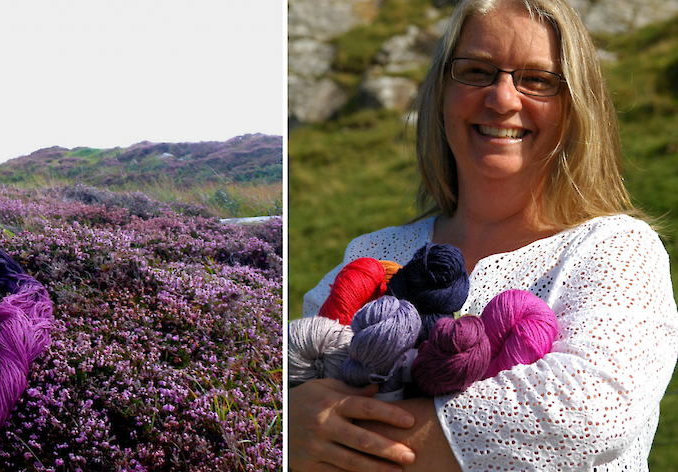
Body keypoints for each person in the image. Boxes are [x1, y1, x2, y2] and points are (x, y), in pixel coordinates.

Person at [288, 0, 678, 470]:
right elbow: (290, 376)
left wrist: (334, 433)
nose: (503, 98)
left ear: (575, 106)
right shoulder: (373, 254)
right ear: (442, 92)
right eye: (476, 71)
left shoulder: (614, 249)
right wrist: (289, 423)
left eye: (536, 80)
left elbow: (593, 412)